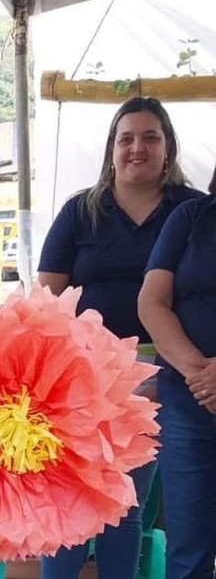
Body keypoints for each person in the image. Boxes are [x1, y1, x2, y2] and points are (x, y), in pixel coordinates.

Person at [38, 97, 202, 579]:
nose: (137, 148)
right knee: (70, 497)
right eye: (125, 138)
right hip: (81, 380)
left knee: (124, 504)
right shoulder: (80, 211)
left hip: (164, 374)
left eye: (150, 137)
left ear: (168, 148)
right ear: (111, 149)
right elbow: (46, 299)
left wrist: (165, 373)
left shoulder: (192, 211)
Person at [139, 163, 216, 579]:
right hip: (188, 400)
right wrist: (201, 376)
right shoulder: (190, 217)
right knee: (188, 546)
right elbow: (151, 303)